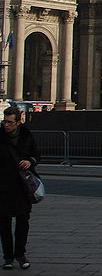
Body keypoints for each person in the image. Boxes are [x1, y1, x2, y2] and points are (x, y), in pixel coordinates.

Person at [1, 106, 40, 269]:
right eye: (4, 121)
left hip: (22, 187)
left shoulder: (26, 136)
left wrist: (30, 161)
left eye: (10, 122)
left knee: (23, 221)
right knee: (4, 223)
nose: (6, 125)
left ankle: (20, 254)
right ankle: (8, 257)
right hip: (2, 186)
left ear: (18, 122)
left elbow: (37, 155)